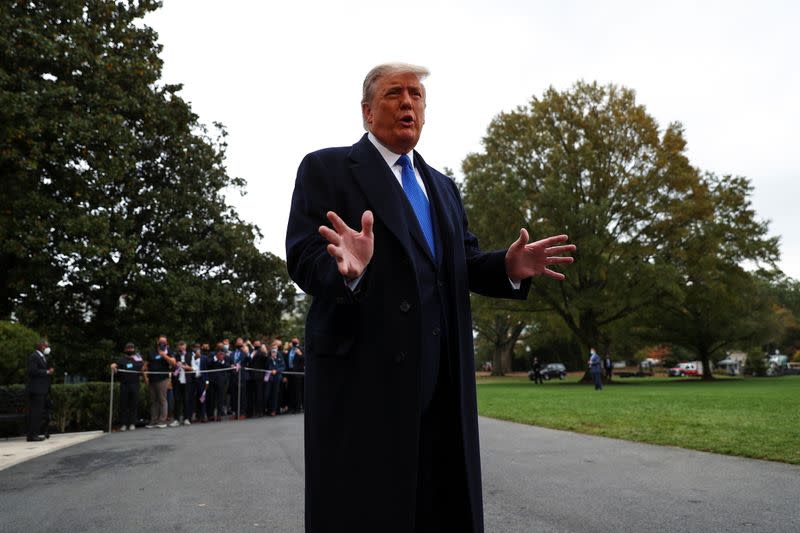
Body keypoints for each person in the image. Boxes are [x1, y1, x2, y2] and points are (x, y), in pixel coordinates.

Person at [286, 62, 576, 533]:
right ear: (366, 111)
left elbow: (461, 263)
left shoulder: (441, 187)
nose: (408, 103)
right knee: (366, 509)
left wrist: (507, 266)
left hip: (443, 379)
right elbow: (303, 255)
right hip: (365, 381)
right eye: (394, 94)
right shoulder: (327, 168)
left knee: (438, 506)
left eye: (416, 95)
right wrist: (348, 269)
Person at [143, 335, 175, 428]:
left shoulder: (168, 351)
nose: (162, 344)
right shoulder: (151, 352)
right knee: (153, 400)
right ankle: (153, 420)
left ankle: (162, 421)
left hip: (162, 379)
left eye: (164, 343)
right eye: (161, 342)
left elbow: (173, 363)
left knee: (162, 399)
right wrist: (145, 374)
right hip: (152, 379)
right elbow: (145, 365)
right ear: (157, 342)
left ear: (166, 343)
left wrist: (164, 355)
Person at [25, 339, 54, 442]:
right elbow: (32, 371)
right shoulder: (34, 357)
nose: (48, 348)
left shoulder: (42, 357)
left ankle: (35, 434)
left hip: (42, 389)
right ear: (42, 346)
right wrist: (47, 372)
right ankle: (32, 435)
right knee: (35, 413)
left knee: (39, 413)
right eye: (47, 346)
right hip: (36, 390)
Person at [111, 342, 144, 431]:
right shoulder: (122, 359)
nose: (130, 350)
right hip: (124, 384)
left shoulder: (138, 359)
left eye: (131, 348)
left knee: (134, 404)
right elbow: (115, 366)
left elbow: (143, 368)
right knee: (123, 404)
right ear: (125, 350)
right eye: (128, 348)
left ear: (134, 349)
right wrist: (113, 366)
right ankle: (123, 424)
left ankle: (133, 423)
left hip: (135, 384)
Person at [171, 341, 195, 426]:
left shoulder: (190, 355)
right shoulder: (174, 355)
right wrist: (176, 365)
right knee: (177, 400)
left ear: (186, 347)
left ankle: (186, 418)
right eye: (180, 347)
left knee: (186, 400)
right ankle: (176, 419)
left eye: (183, 347)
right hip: (177, 381)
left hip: (187, 381)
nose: (182, 348)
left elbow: (193, 368)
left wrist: (186, 367)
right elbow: (172, 367)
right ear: (178, 347)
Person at [208, 347, 231, 421]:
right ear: (216, 353)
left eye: (222, 353)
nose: (221, 354)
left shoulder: (226, 358)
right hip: (212, 380)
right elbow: (209, 364)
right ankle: (211, 415)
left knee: (220, 398)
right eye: (219, 352)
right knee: (211, 398)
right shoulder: (212, 357)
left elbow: (228, 366)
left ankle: (219, 415)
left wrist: (221, 361)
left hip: (222, 381)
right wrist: (216, 359)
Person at [265, 345, 285, 417]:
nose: (274, 351)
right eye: (273, 349)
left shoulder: (279, 356)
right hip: (269, 377)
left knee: (275, 394)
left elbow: (283, 366)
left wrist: (276, 370)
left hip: (277, 377)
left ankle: (274, 410)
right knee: (268, 393)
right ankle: (268, 409)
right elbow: (266, 366)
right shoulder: (268, 356)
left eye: (275, 349)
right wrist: (271, 359)